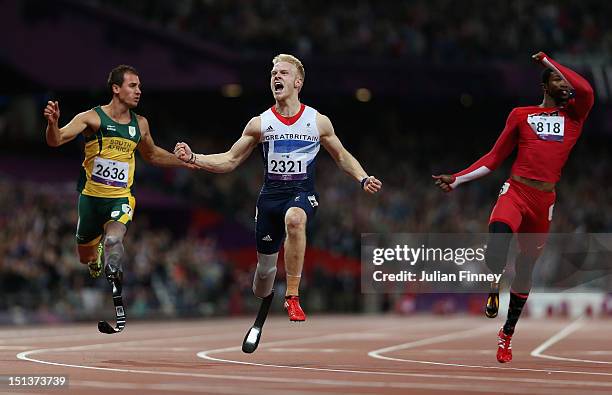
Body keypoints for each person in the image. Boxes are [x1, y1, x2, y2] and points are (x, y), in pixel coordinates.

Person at [174, 54, 382, 324]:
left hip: (302, 193)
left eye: (282, 73)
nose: (276, 77)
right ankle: (268, 289)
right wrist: (194, 158)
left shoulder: (317, 122)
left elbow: (341, 156)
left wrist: (363, 178)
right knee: (263, 278)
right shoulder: (260, 123)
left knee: (295, 219)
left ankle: (293, 296)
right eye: (273, 73)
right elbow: (230, 159)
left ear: (298, 82)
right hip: (270, 200)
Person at [433, 52, 594, 363]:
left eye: (565, 79)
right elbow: (494, 158)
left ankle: (507, 334)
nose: (565, 84)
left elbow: (586, 90)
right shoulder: (521, 115)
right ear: (544, 86)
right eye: (557, 79)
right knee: (498, 236)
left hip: (543, 202)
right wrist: (457, 179)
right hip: (517, 191)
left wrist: (551, 62)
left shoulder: (575, 116)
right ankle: (494, 284)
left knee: (525, 270)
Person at [44, 65, 193, 330]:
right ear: (116, 88)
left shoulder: (140, 124)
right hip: (90, 199)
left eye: (139, 86)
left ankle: (113, 270)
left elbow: (152, 154)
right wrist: (53, 124)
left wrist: (184, 161)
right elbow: (55, 141)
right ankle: (97, 256)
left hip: (120, 198)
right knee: (85, 257)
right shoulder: (92, 118)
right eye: (132, 85)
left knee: (114, 239)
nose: (139, 91)